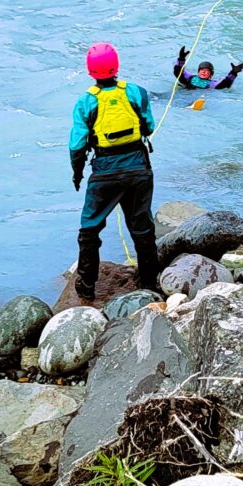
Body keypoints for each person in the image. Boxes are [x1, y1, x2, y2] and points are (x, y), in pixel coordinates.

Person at [69, 42, 159, 300]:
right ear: (116, 66)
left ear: (90, 72)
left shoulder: (86, 101)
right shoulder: (136, 92)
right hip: (139, 170)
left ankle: (86, 285)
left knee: (89, 228)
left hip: (105, 174)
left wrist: (77, 173)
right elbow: (149, 127)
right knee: (142, 228)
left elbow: (77, 145)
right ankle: (149, 283)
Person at [173, 46, 243, 90]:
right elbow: (178, 72)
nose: (203, 72)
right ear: (198, 72)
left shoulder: (212, 84)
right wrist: (181, 59)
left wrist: (234, 72)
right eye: (201, 70)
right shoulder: (190, 77)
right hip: (183, 91)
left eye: (206, 71)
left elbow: (225, 83)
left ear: (211, 75)